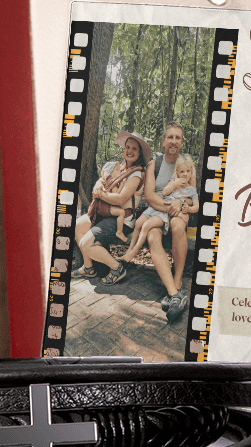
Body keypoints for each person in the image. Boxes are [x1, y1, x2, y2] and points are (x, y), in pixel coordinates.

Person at [72, 131, 151, 286]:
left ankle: (117, 268)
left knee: (86, 244)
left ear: (140, 153)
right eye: (127, 147)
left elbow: (121, 200)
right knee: (79, 225)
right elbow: (103, 178)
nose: (129, 151)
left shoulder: (136, 174)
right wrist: (98, 186)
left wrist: (100, 195)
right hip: (107, 213)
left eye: (134, 148)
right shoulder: (120, 168)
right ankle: (89, 268)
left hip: (122, 219)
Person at [141, 123, 193, 322]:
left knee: (178, 226)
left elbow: (192, 197)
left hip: (179, 211)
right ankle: (174, 295)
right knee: (153, 236)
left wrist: (180, 204)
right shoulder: (155, 164)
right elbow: (149, 195)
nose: (173, 141)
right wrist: (169, 208)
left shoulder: (187, 165)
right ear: (163, 141)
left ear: (181, 142)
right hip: (158, 211)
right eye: (169, 137)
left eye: (177, 138)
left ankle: (177, 283)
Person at [122, 154, 198, 264]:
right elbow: (164, 192)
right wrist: (174, 183)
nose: (184, 174)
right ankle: (129, 250)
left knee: (146, 225)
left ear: (191, 173)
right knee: (138, 223)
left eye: (187, 171)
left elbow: (196, 206)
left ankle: (134, 251)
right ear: (177, 172)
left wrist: (188, 209)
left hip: (165, 213)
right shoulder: (174, 182)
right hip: (157, 207)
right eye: (182, 172)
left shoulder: (191, 191)